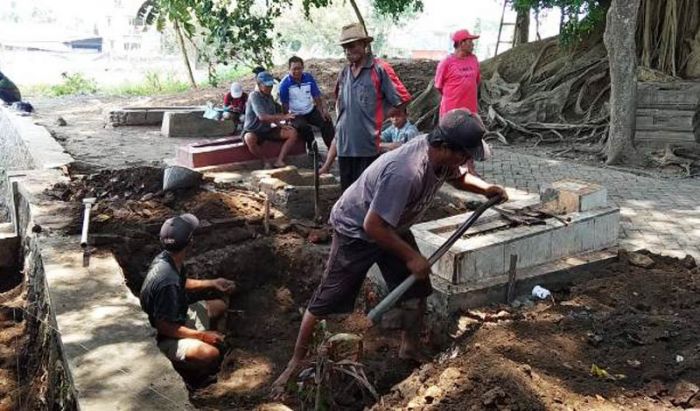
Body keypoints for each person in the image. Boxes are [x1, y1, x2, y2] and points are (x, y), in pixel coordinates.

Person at [271, 109, 507, 396]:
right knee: (328, 299)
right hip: (357, 230)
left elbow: (458, 177)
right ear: (445, 147)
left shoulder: (442, 157)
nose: (467, 160)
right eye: (465, 154)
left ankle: (410, 347)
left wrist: (485, 188)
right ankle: (296, 362)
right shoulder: (406, 172)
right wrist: (411, 257)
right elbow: (373, 226)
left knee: (418, 289)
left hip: (391, 225)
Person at [139, 214, 236, 383]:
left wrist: (212, 283)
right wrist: (203, 336)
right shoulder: (167, 282)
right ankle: (194, 376)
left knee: (219, 306)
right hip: (161, 337)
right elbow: (165, 327)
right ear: (190, 242)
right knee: (209, 353)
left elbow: (181, 282)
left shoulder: (167, 259)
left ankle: (215, 342)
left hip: (177, 317)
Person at [318, 22, 412, 190]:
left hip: (367, 146)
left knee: (365, 193)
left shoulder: (379, 69)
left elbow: (403, 98)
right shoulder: (344, 72)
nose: (347, 51)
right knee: (347, 194)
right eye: (345, 47)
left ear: (364, 44)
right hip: (345, 147)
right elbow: (341, 103)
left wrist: (379, 115)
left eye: (352, 46)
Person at [243, 71, 300, 169]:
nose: (270, 88)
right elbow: (262, 117)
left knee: (292, 132)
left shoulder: (270, 97)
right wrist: (284, 117)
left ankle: (279, 160)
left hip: (267, 129)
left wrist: (281, 125)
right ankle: (265, 161)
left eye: (271, 86)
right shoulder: (254, 96)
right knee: (249, 138)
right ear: (260, 85)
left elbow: (272, 116)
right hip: (253, 130)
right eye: (267, 86)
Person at [279, 56, 335, 150]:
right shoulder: (284, 84)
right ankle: (312, 148)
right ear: (289, 69)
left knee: (326, 121)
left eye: (299, 68)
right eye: (294, 69)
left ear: (303, 68)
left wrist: (322, 110)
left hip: (310, 110)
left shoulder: (308, 78)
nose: (297, 71)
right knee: (304, 127)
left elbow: (316, 96)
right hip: (295, 114)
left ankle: (332, 148)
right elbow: (284, 104)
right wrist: (287, 118)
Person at [434, 29, 481, 118]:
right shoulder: (446, 62)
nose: (473, 44)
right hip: (451, 112)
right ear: (461, 43)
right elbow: (438, 86)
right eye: (470, 41)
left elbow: (477, 82)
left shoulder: (474, 59)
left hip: (470, 112)